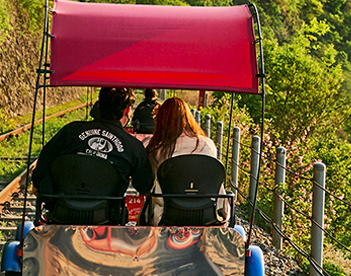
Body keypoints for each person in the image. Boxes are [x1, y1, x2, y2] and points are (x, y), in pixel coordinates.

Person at [34, 87, 153, 224]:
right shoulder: (133, 146)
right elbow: (144, 185)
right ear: (127, 110)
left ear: (99, 105)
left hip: (61, 213)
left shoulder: (70, 131)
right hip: (106, 218)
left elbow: (43, 165)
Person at [142, 97, 223, 225]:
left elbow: (149, 182)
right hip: (208, 214)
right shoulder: (208, 145)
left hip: (168, 217)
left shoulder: (157, 151)